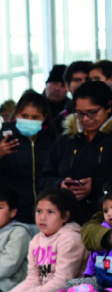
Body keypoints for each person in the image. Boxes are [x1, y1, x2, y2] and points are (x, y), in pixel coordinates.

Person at [0, 90, 57, 224]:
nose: (29, 120)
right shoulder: (3, 140)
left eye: (35, 117)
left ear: (44, 117)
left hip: (47, 215)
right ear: (17, 115)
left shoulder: (52, 140)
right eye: (24, 115)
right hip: (13, 217)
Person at [40, 80, 112, 220]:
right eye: (79, 113)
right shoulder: (64, 141)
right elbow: (44, 179)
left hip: (104, 221)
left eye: (92, 113)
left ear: (109, 107)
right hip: (66, 220)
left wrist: (95, 186)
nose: (85, 119)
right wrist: (60, 184)